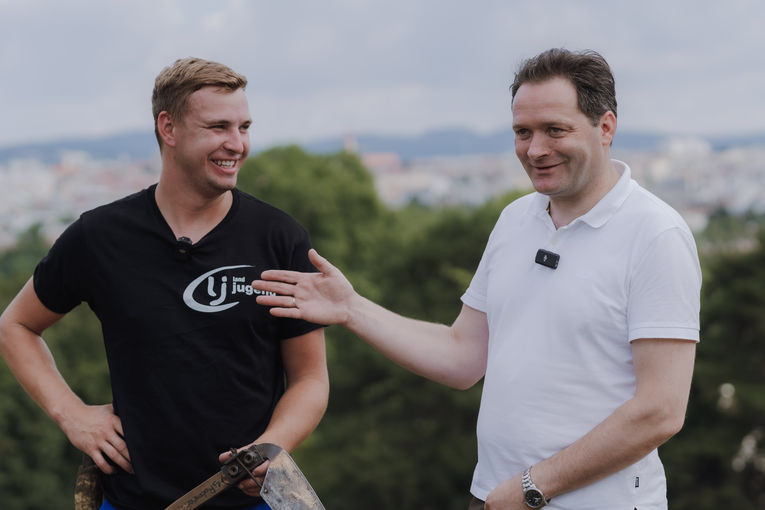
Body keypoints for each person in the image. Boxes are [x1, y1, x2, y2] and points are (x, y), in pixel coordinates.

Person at [251, 48, 701, 510]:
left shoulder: (655, 233)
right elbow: (463, 356)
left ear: (605, 128)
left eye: (555, 130)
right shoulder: (515, 219)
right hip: (496, 497)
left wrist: (532, 486)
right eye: (523, 132)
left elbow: (660, 411)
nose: (536, 149)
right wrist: (352, 309)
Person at [0, 57, 329, 509]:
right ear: (168, 128)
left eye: (244, 127)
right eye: (218, 127)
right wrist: (71, 414)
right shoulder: (100, 237)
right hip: (131, 500)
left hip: (254, 504)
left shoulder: (278, 237)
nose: (237, 144)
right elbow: (15, 326)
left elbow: (310, 379)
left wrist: (271, 448)